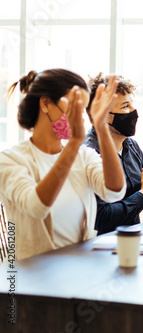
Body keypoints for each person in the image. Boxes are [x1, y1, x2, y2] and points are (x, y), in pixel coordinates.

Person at [0, 69, 126, 260]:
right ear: (45, 104)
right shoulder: (10, 160)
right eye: (73, 106)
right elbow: (36, 207)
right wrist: (75, 141)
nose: (80, 116)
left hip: (77, 274)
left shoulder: (83, 155)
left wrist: (101, 128)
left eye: (83, 109)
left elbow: (114, 191)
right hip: (29, 281)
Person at [84, 73, 143, 235]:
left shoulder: (131, 146)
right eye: (125, 106)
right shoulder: (88, 154)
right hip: (99, 249)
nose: (134, 111)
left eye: (132, 104)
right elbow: (101, 218)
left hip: (131, 241)